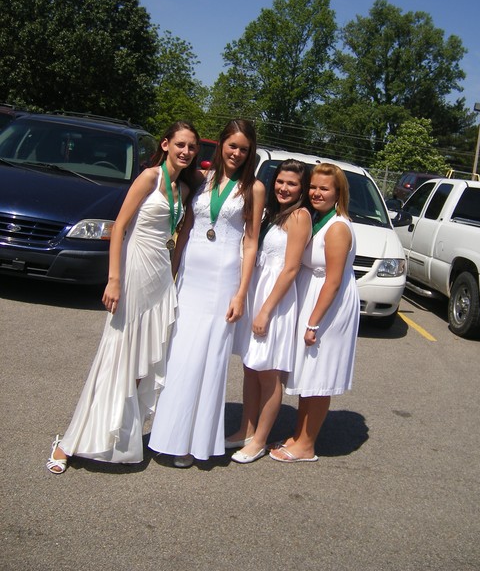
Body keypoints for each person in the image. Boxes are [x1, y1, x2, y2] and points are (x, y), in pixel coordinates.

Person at [46, 121, 200, 473]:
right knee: (116, 354)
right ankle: (70, 442)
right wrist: (113, 279)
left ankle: (118, 436)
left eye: (192, 147)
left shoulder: (183, 189)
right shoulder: (149, 178)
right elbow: (119, 228)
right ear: (165, 144)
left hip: (160, 277)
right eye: (180, 144)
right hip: (134, 272)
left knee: (141, 360)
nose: (186, 151)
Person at [148, 119, 266, 468]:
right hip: (191, 277)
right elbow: (185, 228)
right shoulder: (202, 179)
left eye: (244, 149)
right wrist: (171, 273)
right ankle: (169, 435)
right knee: (181, 357)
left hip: (222, 281)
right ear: (221, 145)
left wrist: (241, 293)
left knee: (208, 360)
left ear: (250, 152)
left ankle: (194, 442)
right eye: (232, 146)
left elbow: (251, 242)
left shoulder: (254, 188)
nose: (237, 153)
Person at [270, 163, 360, 464]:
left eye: (324, 188)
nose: (316, 193)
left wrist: (313, 323)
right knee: (307, 372)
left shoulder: (337, 228)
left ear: (338, 193)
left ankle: (306, 445)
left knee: (319, 375)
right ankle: (299, 435)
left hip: (328, 307)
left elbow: (333, 281)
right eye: (313, 187)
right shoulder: (320, 219)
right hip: (314, 299)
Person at [227, 159, 312, 463]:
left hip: (275, 302)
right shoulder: (274, 213)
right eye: (280, 181)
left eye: (292, 184)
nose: (284, 188)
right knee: (251, 367)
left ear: (302, 188)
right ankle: (245, 430)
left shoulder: (299, 216)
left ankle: (260, 440)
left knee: (268, 372)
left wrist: (265, 311)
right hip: (258, 294)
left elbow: (290, 269)